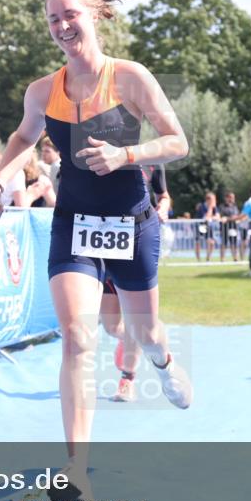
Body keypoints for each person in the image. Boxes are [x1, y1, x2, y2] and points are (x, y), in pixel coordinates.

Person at [0, 0, 192, 501]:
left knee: (145, 336)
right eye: (52, 20)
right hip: (73, 224)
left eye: (69, 15)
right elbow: (23, 139)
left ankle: (165, 365)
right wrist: (0, 181)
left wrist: (126, 153)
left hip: (133, 223)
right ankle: (76, 470)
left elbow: (176, 143)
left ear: (94, 16)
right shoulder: (41, 90)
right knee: (77, 337)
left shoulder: (129, 77)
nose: (60, 27)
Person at [100, 163, 171, 402]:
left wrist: (164, 207)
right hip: (102, 242)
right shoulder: (96, 150)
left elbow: (164, 195)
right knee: (111, 326)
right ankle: (146, 335)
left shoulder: (152, 158)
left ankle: (127, 381)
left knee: (135, 322)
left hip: (136, 242)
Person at [194, 190, 219, 262]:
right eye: (213, 199)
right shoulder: (202, 207)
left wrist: (212, 217)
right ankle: (198, 260)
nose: (214, 201)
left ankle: (208, 258)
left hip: (208, 226)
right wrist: (211, 208)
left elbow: (217, 216)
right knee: (198, 242)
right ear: (208, 200)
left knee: (212, 242)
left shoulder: (214, 207)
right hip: (200, 226)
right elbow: (206, 217)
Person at [219, 191, 242, 261]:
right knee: (224, 243)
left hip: (233, 227)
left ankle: (235, 258)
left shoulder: (235, 207)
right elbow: (222, 217)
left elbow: (236, 216)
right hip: (224, 227)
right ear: (227, 198)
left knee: (234, 243)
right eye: (231, 198)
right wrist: (231, 218)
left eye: (233, 198)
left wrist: (229, 218)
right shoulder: (222, 206)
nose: (232, 199)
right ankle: (222, 258)